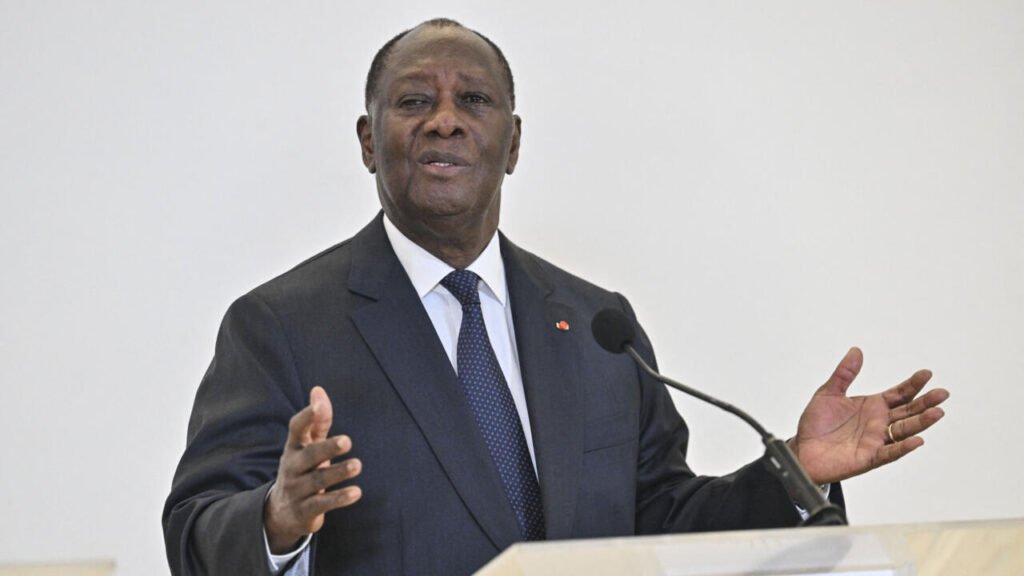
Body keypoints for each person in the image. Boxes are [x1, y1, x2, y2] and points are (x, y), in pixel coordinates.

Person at [162, 18, 949, 576]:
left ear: (513, 142)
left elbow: (661, 526)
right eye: (412, 102)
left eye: (474, 101)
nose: (444, 122)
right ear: (369, 141)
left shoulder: (594, 324)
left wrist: (795, 472)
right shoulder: (282, 324)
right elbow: (195, 531)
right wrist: (277, 518)